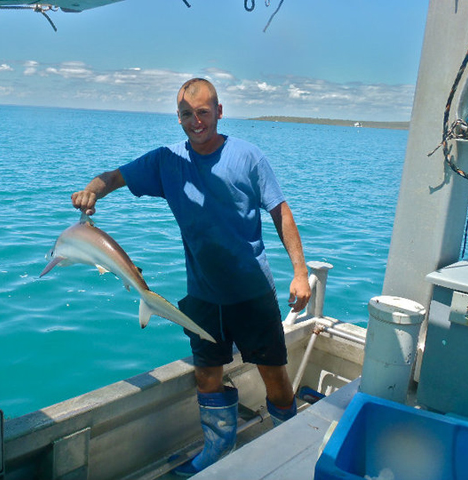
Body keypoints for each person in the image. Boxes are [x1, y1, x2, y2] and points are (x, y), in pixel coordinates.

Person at [71, 78, 311, 477]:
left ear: (219, 111)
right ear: (178, 117)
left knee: (275, 377)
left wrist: (300, 273)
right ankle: (218, 445)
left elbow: (280, 212)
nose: (196, 121)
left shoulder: (248, 157)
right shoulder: (168, 162)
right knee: (206, 374)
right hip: (203, 295)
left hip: (253, 293)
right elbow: (113, 177)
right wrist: (91, 190)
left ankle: (291, 443)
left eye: (203, 112)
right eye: (187, 114)